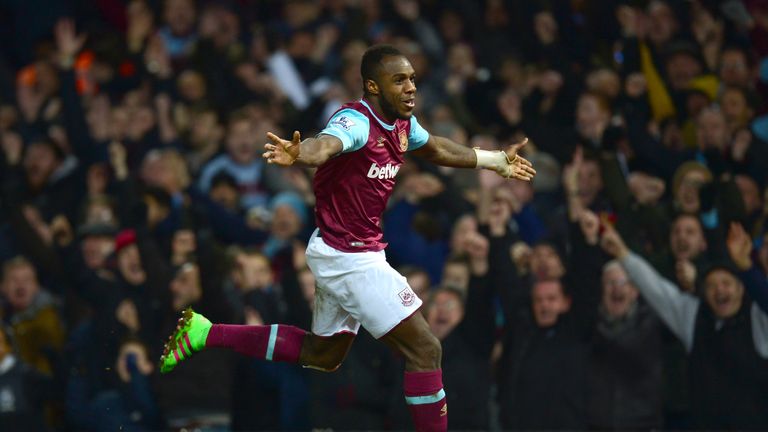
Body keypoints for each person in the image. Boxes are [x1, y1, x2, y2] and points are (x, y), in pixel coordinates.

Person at [158, 44, 535, 432]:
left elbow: (436, 147)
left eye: (412, 80)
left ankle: (204, 332)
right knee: (426, 348)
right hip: (350, 257)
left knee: (323, 354)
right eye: (399, 80)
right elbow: (326, 145)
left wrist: (494, 160)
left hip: (340, 249)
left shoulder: (403, 124)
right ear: (373, 86)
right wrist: (300, 153)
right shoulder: (355, 123)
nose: (411, 88)